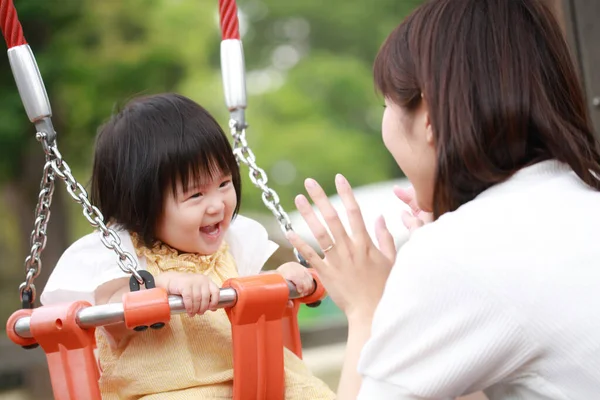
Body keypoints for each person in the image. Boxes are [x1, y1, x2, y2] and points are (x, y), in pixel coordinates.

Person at [286, 0, 600, 399]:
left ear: (429, 116)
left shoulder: (462, 251)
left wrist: (368, 309)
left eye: (387, 104)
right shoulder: (585, 192)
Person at [41, 93, 336, 399]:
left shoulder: (233, 244)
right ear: (141, 205)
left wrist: (283, 277)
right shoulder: (123, 255)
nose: (217, 204)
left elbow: (256, 290)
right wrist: (165, 284)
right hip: (168, 390)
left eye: (223, 184)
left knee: (311, 392)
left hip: (255, 377)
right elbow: (111, 316)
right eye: (195, 195)